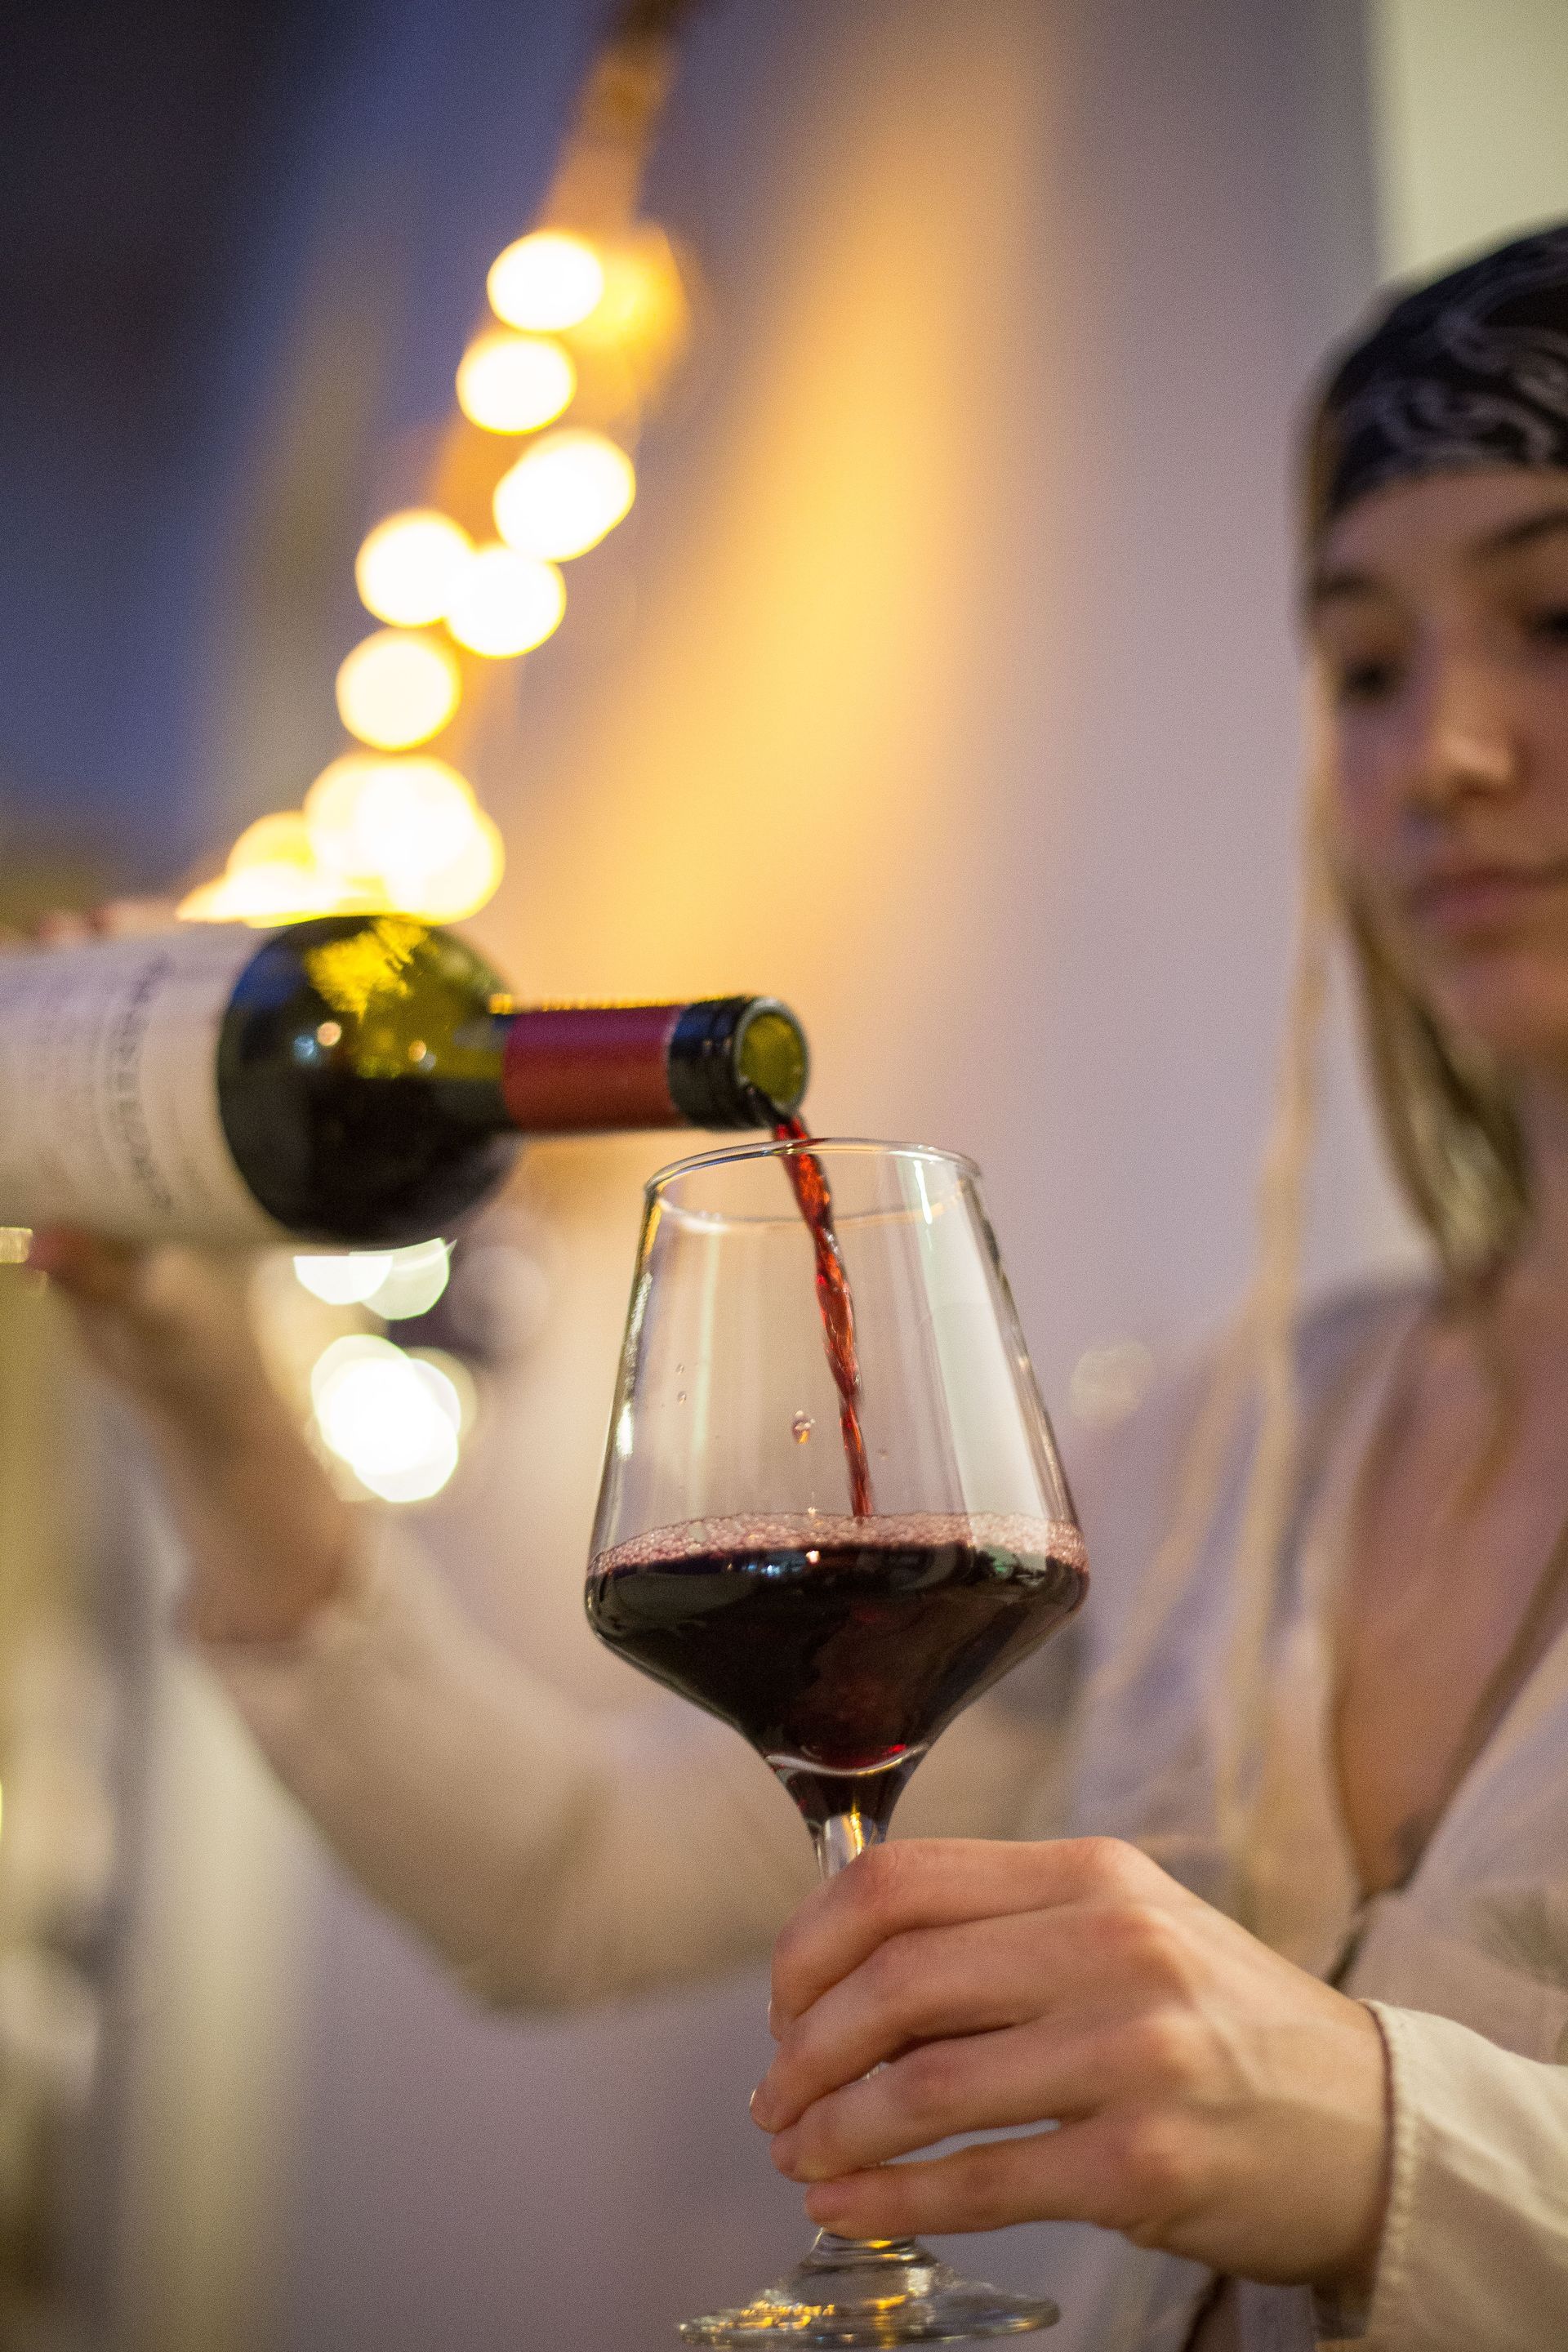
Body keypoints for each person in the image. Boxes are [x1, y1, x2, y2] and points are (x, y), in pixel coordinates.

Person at [31, 225, 1568, 2350]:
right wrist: (195, 1372)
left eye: (1554, 618)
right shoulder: (1231, 1450)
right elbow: (560, 1885)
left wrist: (1379, 2134)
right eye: (1370, 665)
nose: (1451, 755)